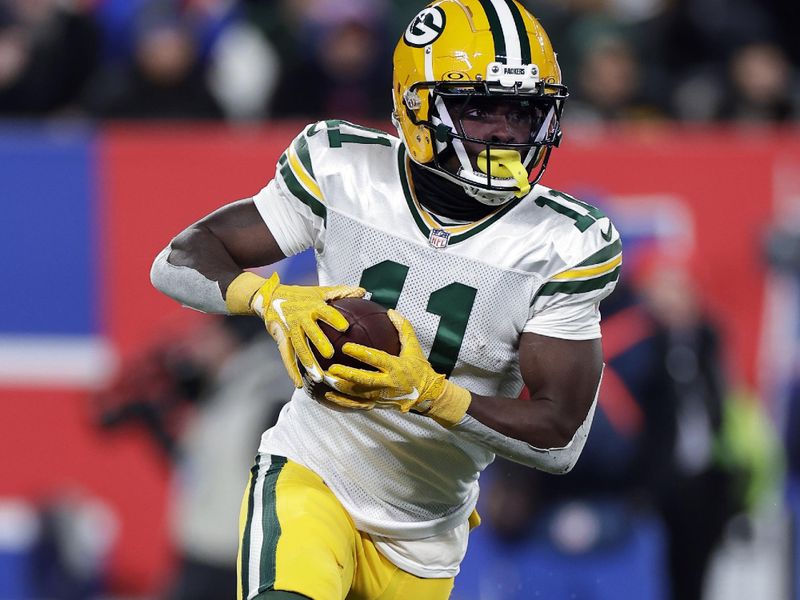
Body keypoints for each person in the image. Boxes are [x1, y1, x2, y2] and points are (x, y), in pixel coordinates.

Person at [150, 2, 621, 599]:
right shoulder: (344, 167)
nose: (504, 133)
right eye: (478, 110)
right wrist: (271, 302)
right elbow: (178, 259)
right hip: (312, 472)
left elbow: (558, 438)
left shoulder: (563, 242)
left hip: (426, 532)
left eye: (523, 113)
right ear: (417, 107)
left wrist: (429, 395)